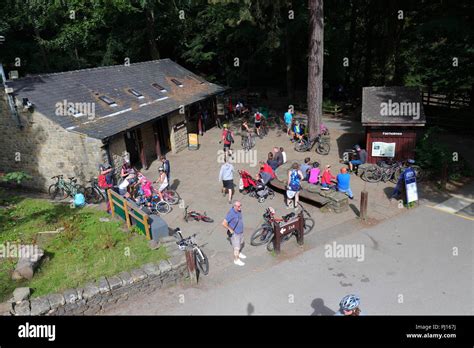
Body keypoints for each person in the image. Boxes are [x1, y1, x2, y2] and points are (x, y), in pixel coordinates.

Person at [222, 201, 246, 266]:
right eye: (238, 206)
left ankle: (239, 253)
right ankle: (236, 260)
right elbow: (224, 223)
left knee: (241, 243)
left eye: (240, 205)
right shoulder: (231, 213)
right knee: (236, 248)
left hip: (240, 232)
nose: (240, 207)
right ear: (234, 206)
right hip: (235, 234)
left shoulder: (239, 211)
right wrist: (230, 229)